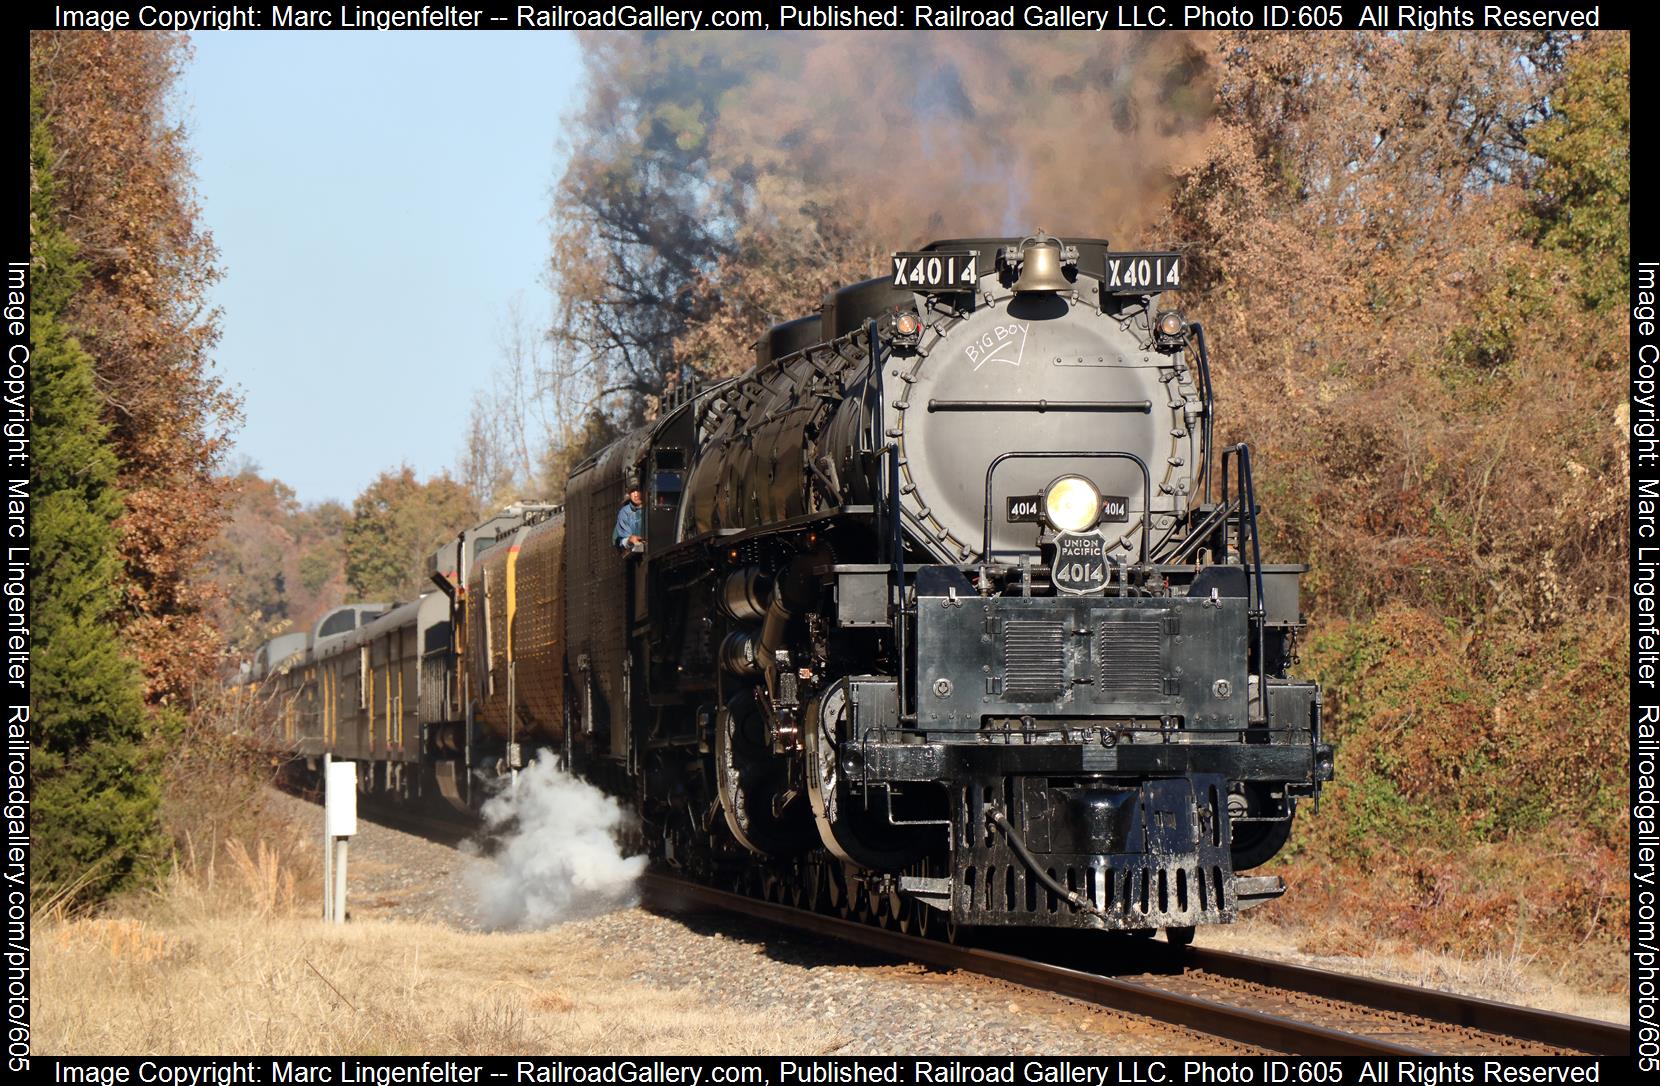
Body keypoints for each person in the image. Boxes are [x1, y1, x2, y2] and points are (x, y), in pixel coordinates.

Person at [613, 484, 644, 551]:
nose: (636, 494)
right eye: (632, 491)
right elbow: (620, 539)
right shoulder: (624, 512)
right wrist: (630, 540)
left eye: (638, 490)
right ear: (629, 495)